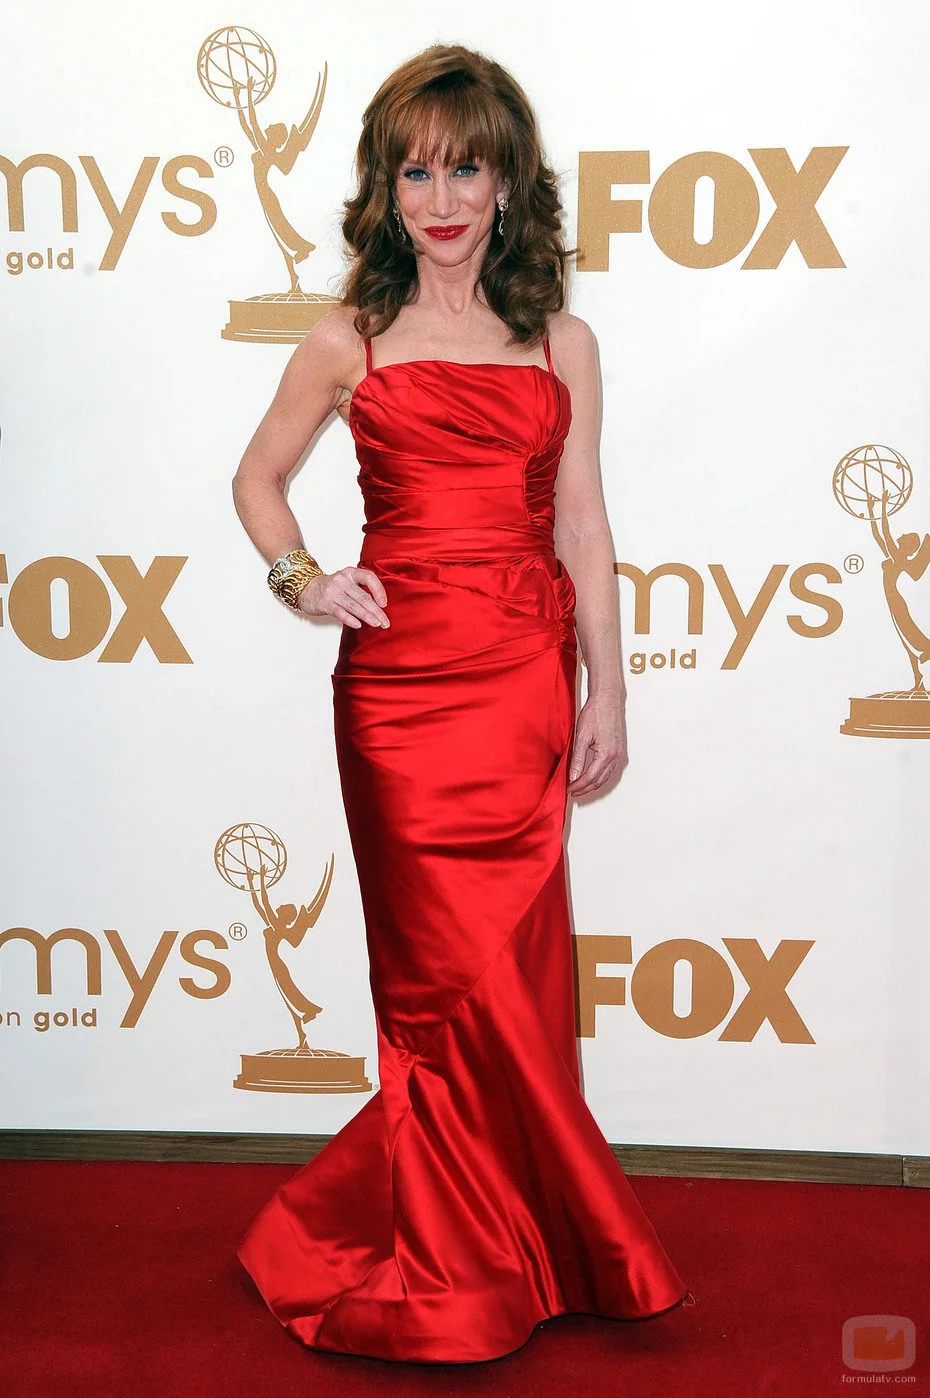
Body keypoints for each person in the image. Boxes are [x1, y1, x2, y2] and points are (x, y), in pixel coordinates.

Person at [231, 42, 690, 1365]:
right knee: (430, 985)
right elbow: (257, 479)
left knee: (517, 985)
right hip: (399, 698)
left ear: (507, 184)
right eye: (416, 172)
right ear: (386, 188)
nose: (442, 200)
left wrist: (610, 690)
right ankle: (445, 1266)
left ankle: (527, 1240)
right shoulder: (349, 338)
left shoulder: (561, 341)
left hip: (524, 688)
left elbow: (583, 525)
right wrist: (306, 580)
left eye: (467, 169)